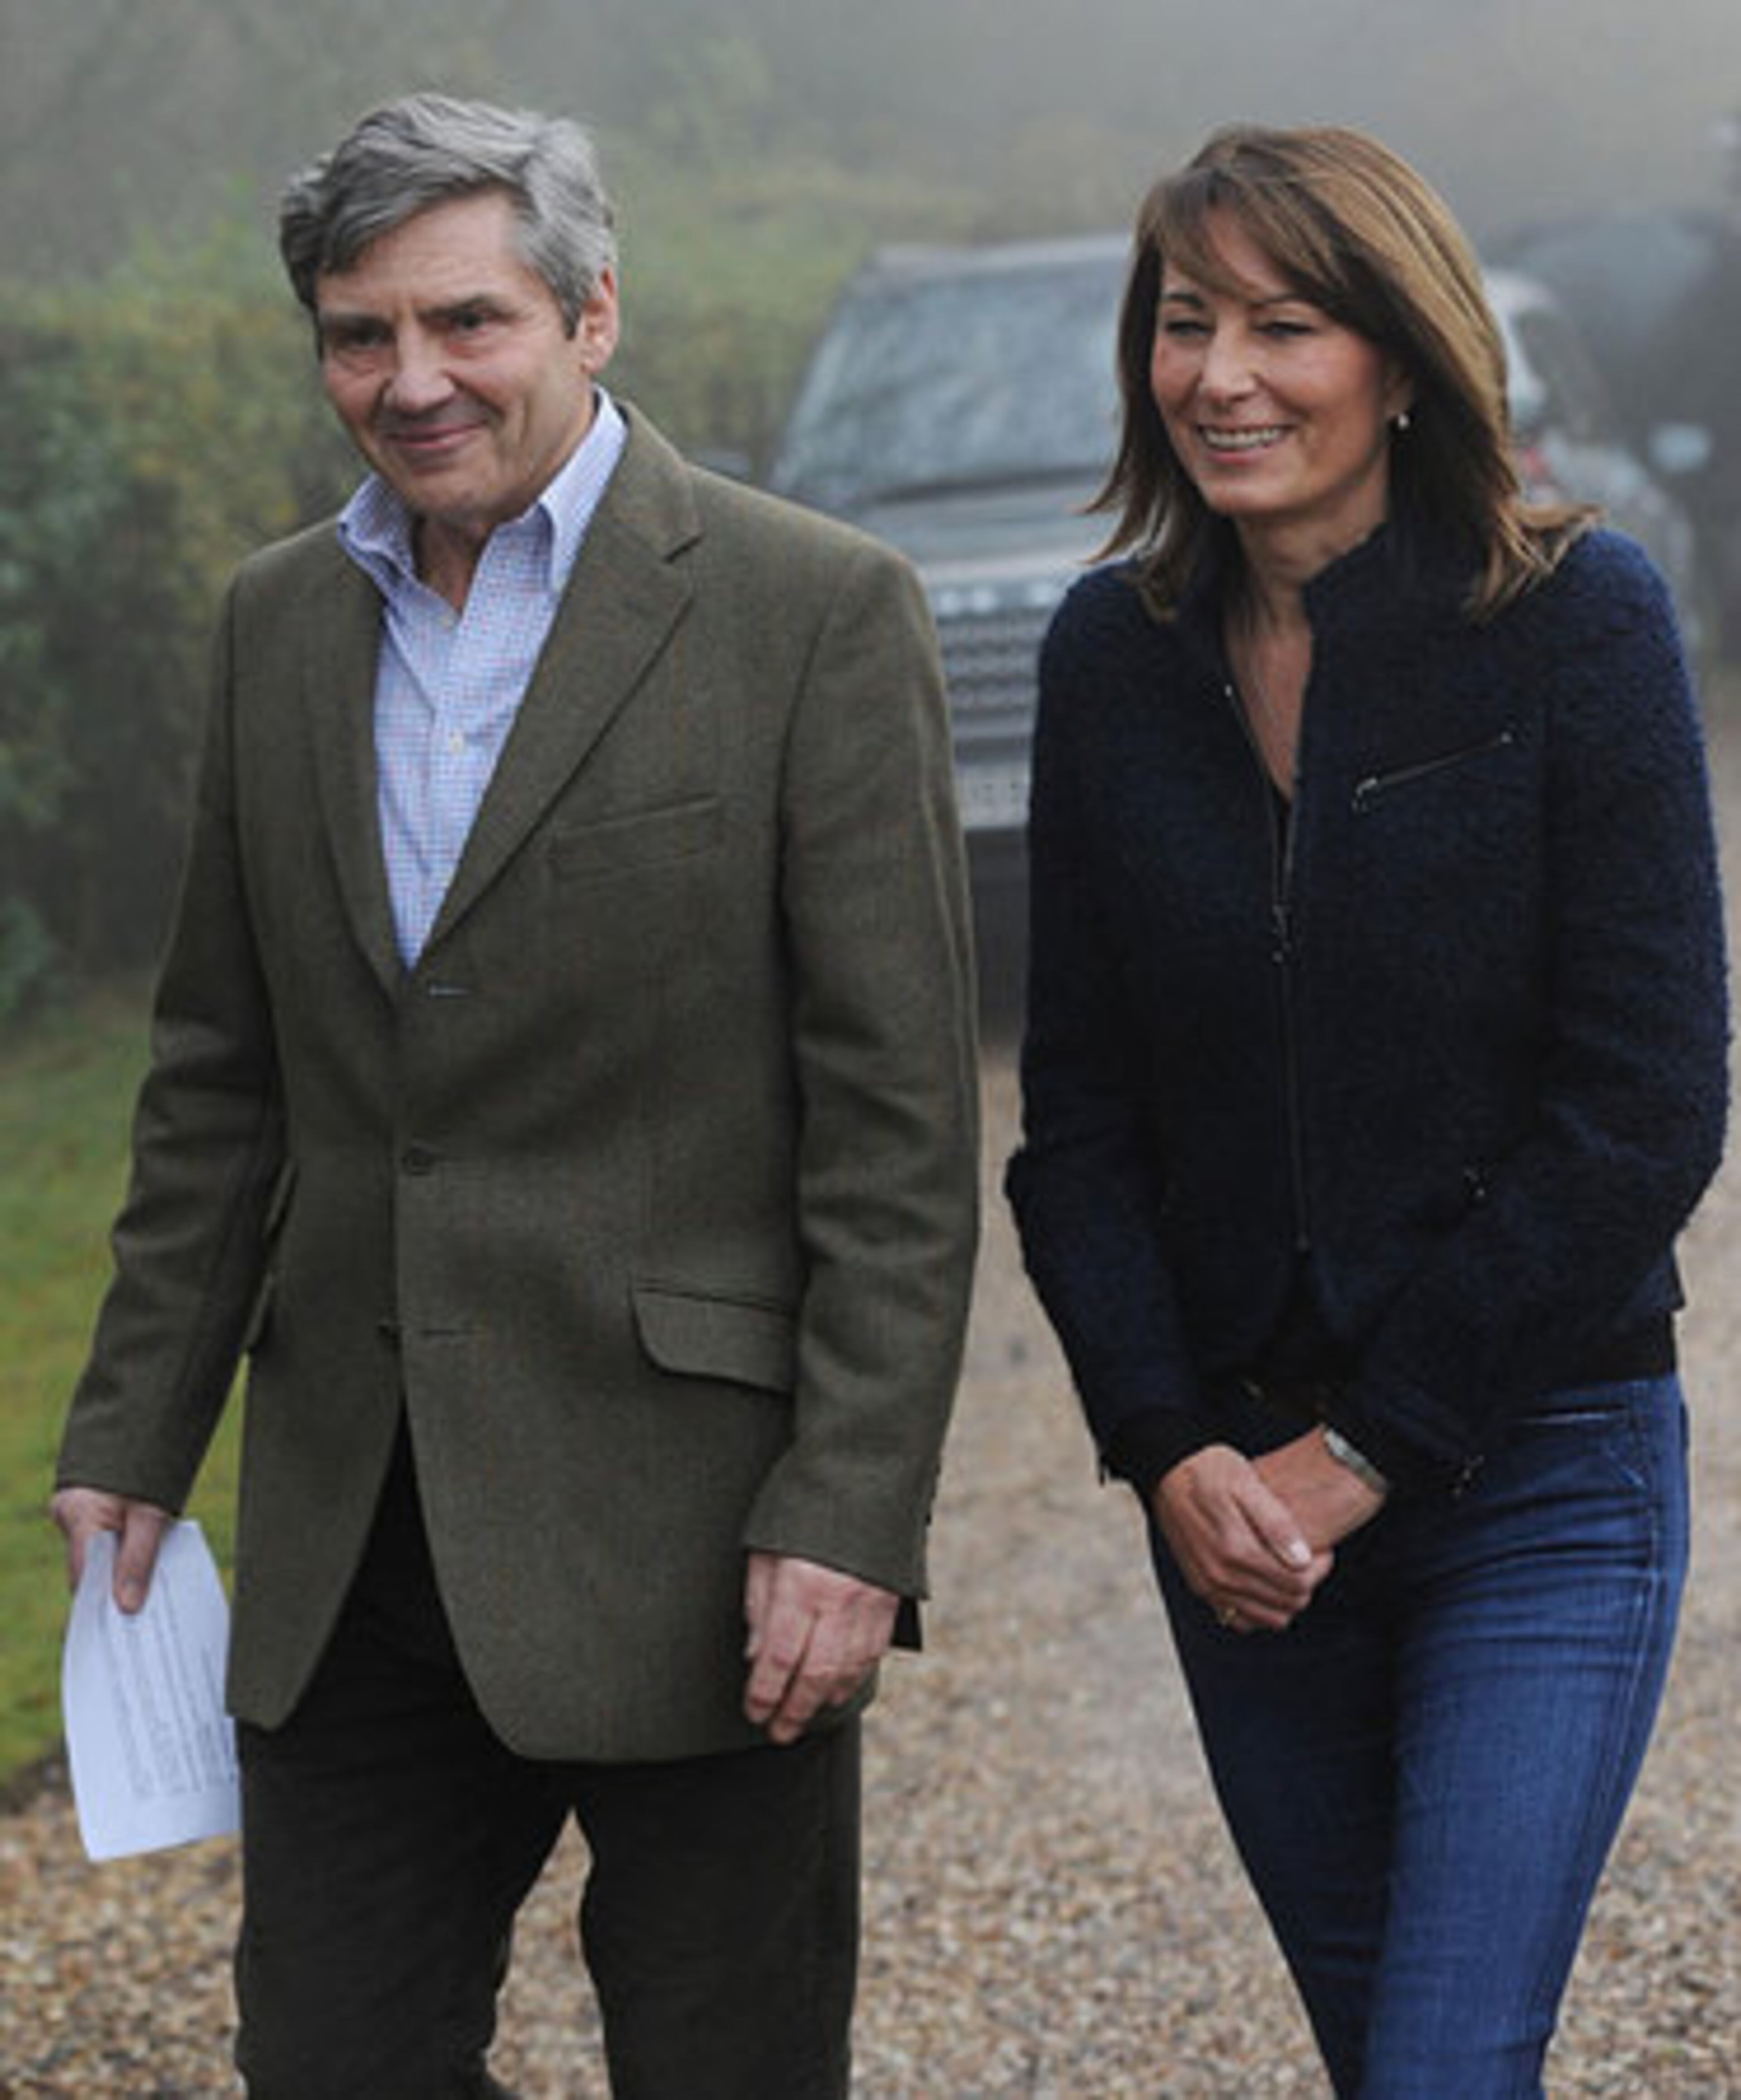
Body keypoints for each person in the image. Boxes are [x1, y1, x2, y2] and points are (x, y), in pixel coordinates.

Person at [51, 92, 979, 2100]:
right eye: (357, 333)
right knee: (327, 2060)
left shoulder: (813, 609)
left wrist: (852, 1513)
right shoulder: (274, 621)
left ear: (592, 316)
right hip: (355, 1534)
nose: (411, 380)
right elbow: (222, 1071)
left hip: (704, 1544)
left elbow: (897, 1130)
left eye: (466, 321)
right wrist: (135, 1425)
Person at [1007, 123, 1727, 2098]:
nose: (1221, 372)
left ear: (1402, 356)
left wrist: (1374, 1448)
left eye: (1285, 323)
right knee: (1391, 2060)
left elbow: (1651, 1099)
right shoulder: (1112, 659)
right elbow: (1074, 1123)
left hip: (1541, 1470)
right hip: (1239, 1520)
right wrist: (1166, 1450)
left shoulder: (1579, 621)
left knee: (1442, 2066)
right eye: (1184, 323)